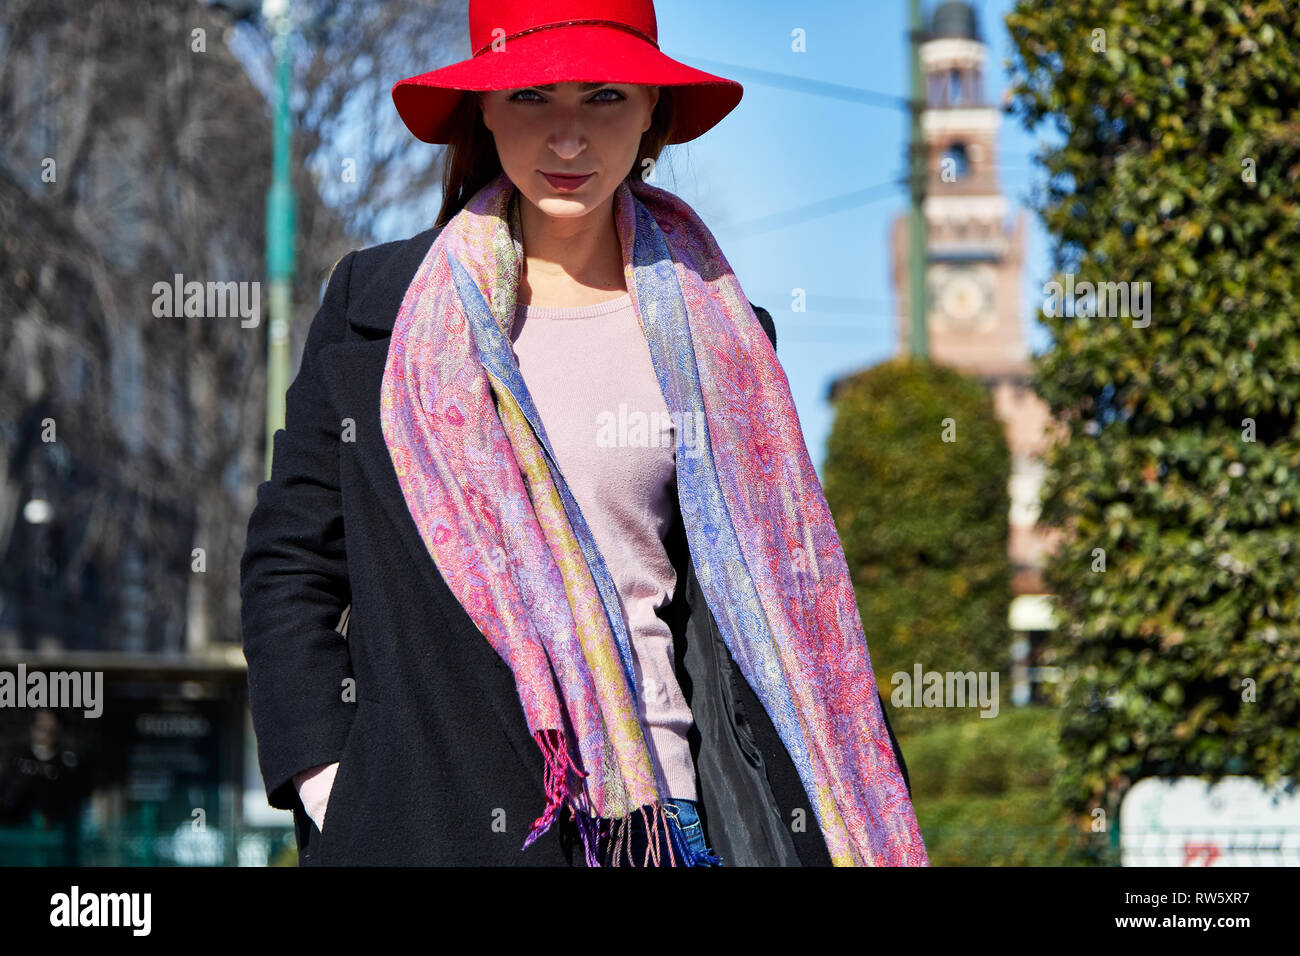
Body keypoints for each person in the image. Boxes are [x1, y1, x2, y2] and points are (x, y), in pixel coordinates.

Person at [240, 0, 928, 867]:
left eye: (604, 96)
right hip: (431, 823)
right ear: (483, 110)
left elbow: (773, 603)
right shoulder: (378, 312)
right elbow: (290, 563)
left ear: (653, 113)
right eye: (531, 96)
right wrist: (330, 780)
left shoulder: (729, 339)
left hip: (668, 823)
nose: (569, 139)